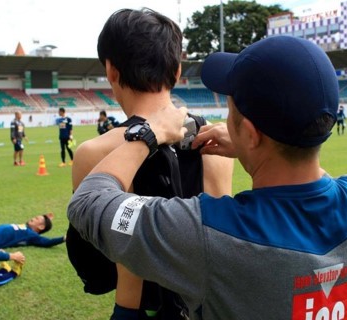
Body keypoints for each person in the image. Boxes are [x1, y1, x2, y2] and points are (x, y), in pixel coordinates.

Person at [68, 35, 347, 320]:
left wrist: (148, 133)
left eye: (231, 105)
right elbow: (315, 183)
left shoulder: (210, 235)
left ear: (250, 133)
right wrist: (258, 148)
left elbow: (88, 202)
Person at [67, 8, 233, 320]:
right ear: (176, 70)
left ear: (111, 70)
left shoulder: (94, 152)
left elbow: (104, 252)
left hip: (139, 307)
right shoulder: (218, 139)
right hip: (210, 305)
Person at [0, 212, 65, 249]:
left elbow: (47, 242)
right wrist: (47, 218)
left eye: (36, 219)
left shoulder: (31, 235)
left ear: (40, 227)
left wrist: (64, 238)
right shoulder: (25, 227)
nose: (33, 218)